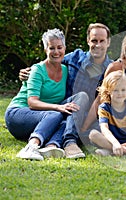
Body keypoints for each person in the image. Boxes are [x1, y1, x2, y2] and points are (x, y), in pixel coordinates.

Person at [18, 23, 113, 158]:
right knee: (81, 97)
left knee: (101, 130)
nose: (97, 45)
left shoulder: (111, 68)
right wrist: (31, 70)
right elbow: (51, 61)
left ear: (108, 42)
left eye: (102, 41)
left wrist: (85, 126)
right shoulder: (75, 57)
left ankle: (53, 145)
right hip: (65, 109)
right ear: (88, 41)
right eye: (94, 40)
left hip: (88, 117)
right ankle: (70, 142)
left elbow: (102, 101)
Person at [5, 28, 79, 160]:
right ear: (45, 50)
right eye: (51, 48)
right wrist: (58, 107)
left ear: (65, 48)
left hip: (44, 118)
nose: (56, 52)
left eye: (59, 47)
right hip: (18, 115)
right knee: (57, 113)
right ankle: (31, 147)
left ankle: (51, 146)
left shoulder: (65, 70)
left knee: (66, 117)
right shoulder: (37, 70)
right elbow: (32, 102)